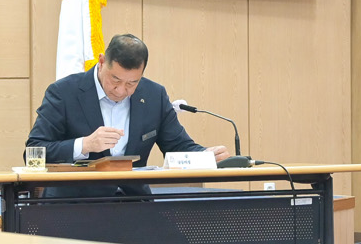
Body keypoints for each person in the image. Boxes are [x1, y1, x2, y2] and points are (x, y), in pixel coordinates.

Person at [28, 33, 226, 166]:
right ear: (101, 62)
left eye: (132, 83)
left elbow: (178, 146)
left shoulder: (154, 95)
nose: (121, 90)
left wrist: (205, 155)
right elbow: (34, 151)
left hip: (134, 201)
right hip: (75, 202)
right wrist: (85, 145)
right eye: (115, 79)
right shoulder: (64, 92)